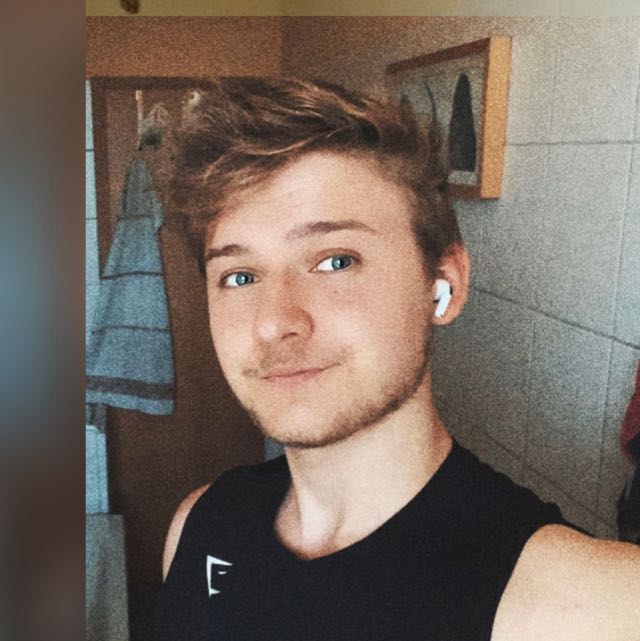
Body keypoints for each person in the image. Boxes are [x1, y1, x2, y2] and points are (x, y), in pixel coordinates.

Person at [153, 77, 640, 641]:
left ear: (443, 286)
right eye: (239, 276)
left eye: (336, 261)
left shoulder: (590, 603)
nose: (275, 321)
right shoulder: (201, 524)